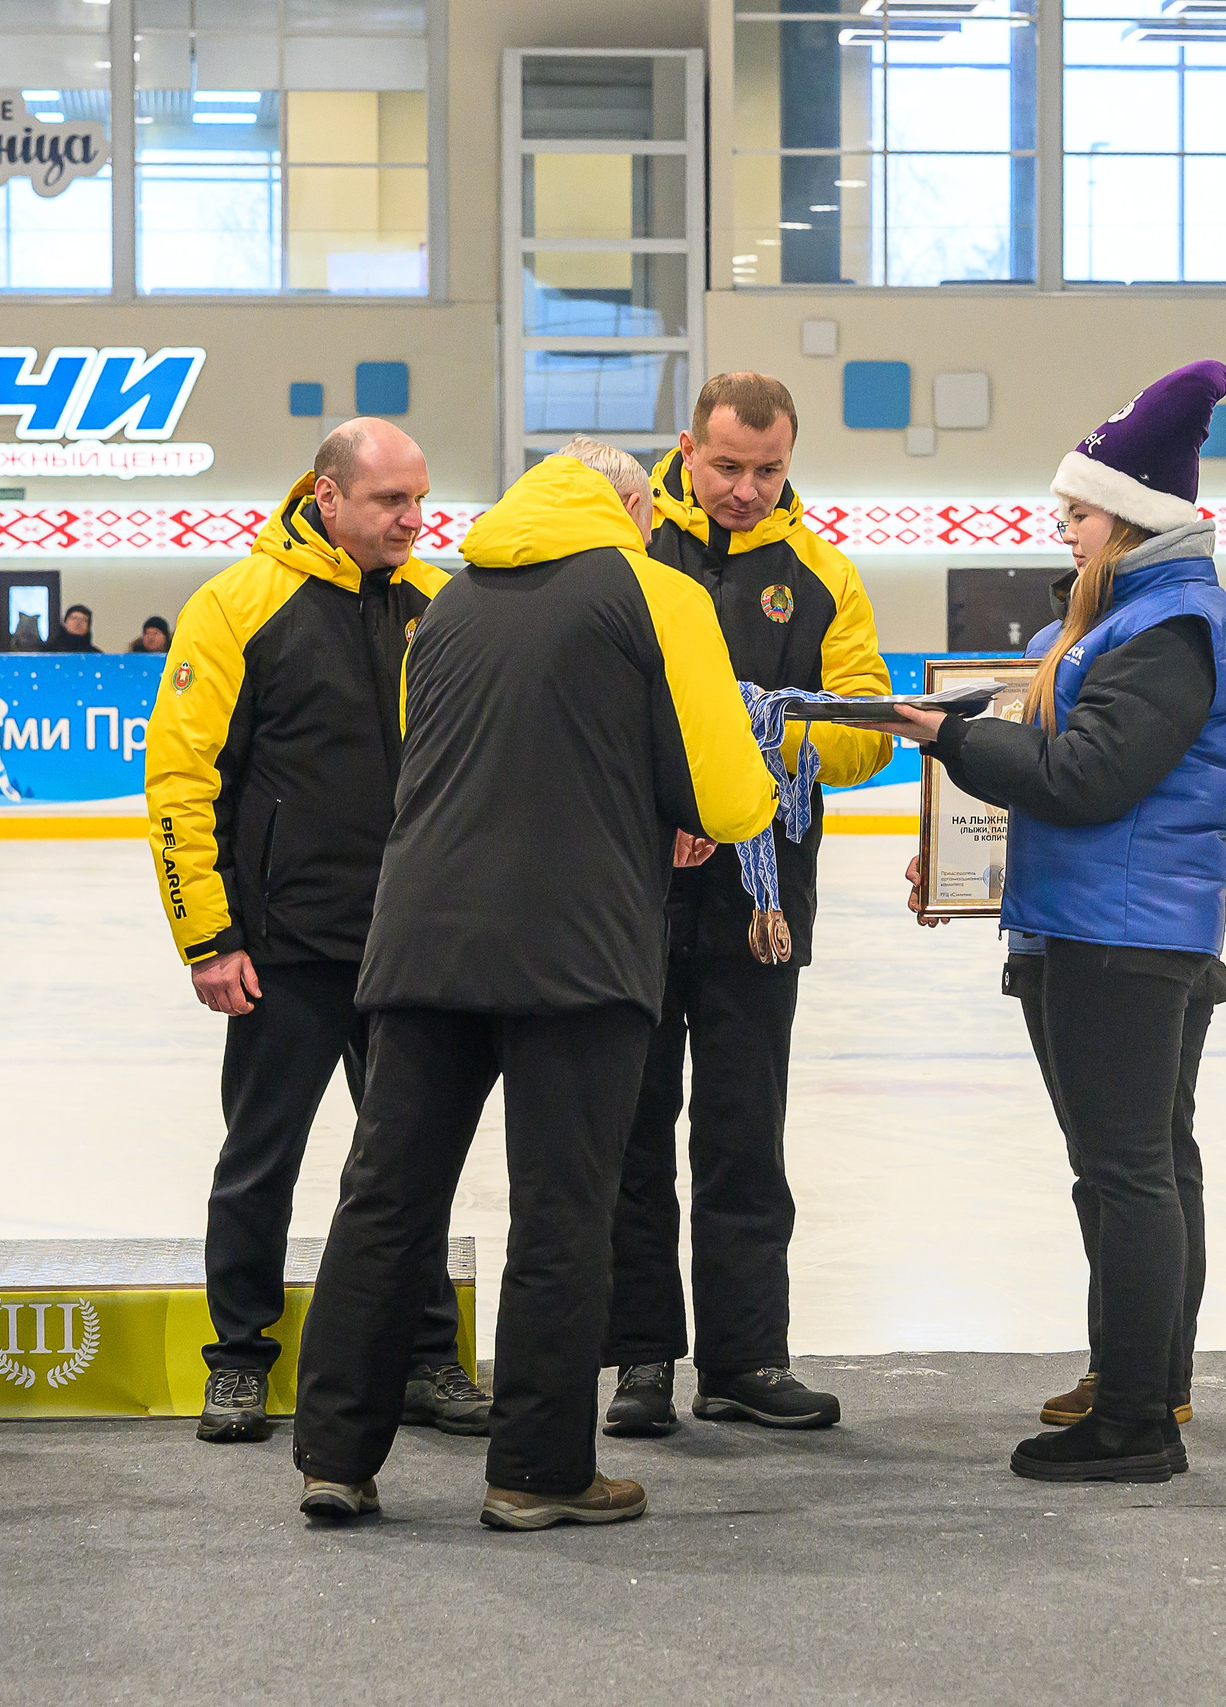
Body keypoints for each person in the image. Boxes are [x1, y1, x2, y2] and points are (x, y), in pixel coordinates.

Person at [289, 437, 777, 1529]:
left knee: (385, 1196)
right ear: (629, 504)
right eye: (649, 504)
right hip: (578, 947)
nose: (656, 521)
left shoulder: (449, 600)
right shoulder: (658, 593)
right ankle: (538, 1472)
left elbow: (446, 752)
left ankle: (333, 1453)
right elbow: (732, 797)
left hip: (421, 938)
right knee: (563, 1209)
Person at [877, 359, 1226, 1484]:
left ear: (1135, 517)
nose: (1067, 529)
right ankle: (1144, 1375)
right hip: (1113, 926)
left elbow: (1089, 778)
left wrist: (941, 734)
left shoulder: (1170, 625)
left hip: (1120, 942)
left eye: (1081, 512)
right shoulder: (1137, 619)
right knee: (1139, 1166)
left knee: (1126, 1170)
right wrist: (961, 862)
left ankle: (1136, 1418)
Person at [142, 419, 488, 1446]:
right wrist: (208, 937)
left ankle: (426, 1357)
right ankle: (240, 1360)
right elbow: (179, 780)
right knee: (261, 1159)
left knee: (407, 1165)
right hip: (284, 950)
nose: (411, 521)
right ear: (327, 497)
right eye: (389, 501)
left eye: (420, 500)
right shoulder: (238, 605)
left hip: (411, 949)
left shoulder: (443, 610)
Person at [600, 373, 890, 1440]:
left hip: (761, 901)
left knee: (741, 1135)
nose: (746, 489)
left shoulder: (822, 574)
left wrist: (763, 743)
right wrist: (680, 788)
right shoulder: (626, 548)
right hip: (628, 891)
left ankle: (743, 1359)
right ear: (687, 446)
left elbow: (860, 731)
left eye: (767, 469)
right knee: (629, 1130)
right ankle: (638, 1359)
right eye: (727, 466)